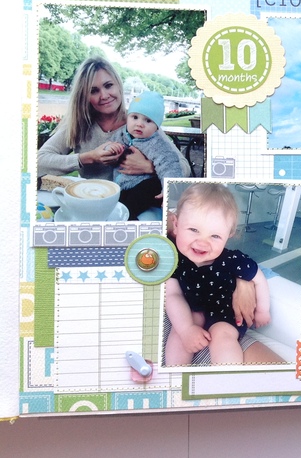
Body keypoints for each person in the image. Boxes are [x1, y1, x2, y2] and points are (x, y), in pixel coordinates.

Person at [37, 56, 190, 188]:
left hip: (131, 205)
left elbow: (184, 167)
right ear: (84, 96)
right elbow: (38, 161)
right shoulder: (79, 124)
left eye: (108, 85)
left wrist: (148, 167)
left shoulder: (140, 123)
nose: (104, 95)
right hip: (90, 201)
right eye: (93, 91)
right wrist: (89, 157)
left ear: (118, 85)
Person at [164, 183, 273, 366]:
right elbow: (172, 295)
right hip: (193, 308)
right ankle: (175, 374)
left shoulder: (233, 259)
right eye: (193, 230)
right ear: (176, 224)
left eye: (214, 236)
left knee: (222, 336)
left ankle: (224, 378)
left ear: (229, 234)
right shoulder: (174, 258)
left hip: (225, 313)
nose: (202, 243)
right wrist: (186, 330)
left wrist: (263, 310)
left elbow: (259, 278)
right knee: (180, 331)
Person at [100, 91, 183, 219]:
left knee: (145, 189)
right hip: (123, 186)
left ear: (156, 128)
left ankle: (129, 219)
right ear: (127, 118)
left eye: (148, 120)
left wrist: (170, 190)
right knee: (117, 202)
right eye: (135, 117)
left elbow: (170, 165)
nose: (139, 124)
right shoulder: (121, 135)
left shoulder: (157, 143)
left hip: (148, 188)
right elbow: (107, 146)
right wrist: (109, 148)